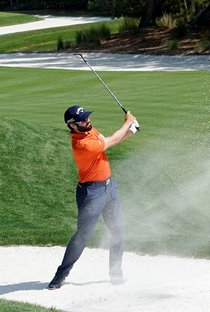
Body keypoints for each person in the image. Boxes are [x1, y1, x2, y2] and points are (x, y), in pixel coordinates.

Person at [48, 105, 138, 290]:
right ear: (72, 125)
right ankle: (60, 275)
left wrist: (131, 131)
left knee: (118, 230)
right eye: (82, 120)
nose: (87, 121)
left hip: (109, 188)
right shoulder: (82, 145)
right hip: (91, 193)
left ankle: (115, 274)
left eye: (87, 117)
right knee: (82, 236)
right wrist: (128, 124)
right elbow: (111, 141)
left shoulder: (89, 131)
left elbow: (108, 140)